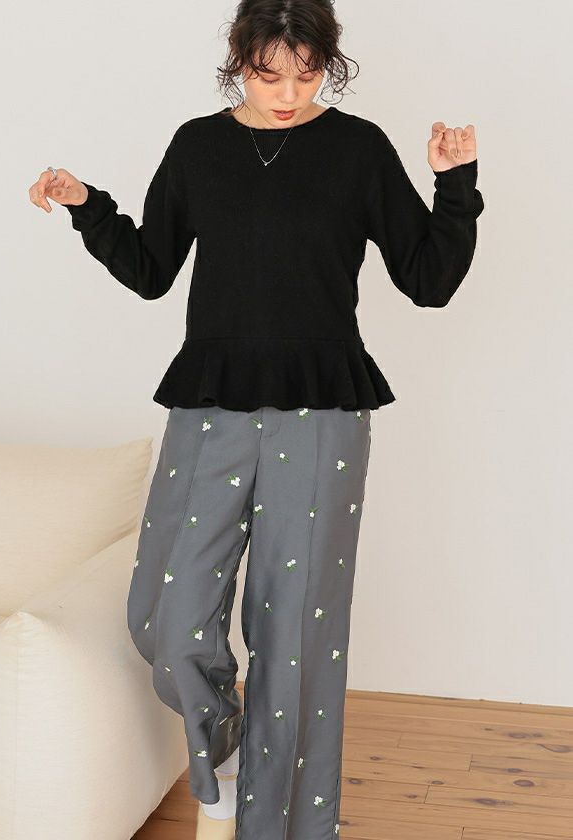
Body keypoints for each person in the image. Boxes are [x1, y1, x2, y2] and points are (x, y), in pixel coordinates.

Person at [28, 1, 484, 836]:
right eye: (270, 75)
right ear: (239, 60)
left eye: (307, 75)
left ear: (328, 65)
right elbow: (151, 269)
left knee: (297, 636)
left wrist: (454, 186)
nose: (288, 94)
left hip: (324, 414)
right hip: (211, 406)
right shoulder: (198, 146)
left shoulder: (358, 149)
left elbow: (429, 281)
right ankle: (225, 736)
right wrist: (89, 205)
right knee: (164, 619)